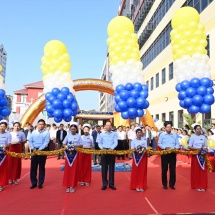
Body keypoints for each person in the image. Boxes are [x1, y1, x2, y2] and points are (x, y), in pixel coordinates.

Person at [28, 119, 50, 189]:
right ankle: (33, 183)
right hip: (34, 150)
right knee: (33, 167)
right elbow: (30, 140)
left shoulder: (46, 133)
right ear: (37, 125)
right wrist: (32, 148)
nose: (41, 126)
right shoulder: (34, 132)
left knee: (41, 167)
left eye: (42, 124)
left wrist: (40, 149)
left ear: (44, 125)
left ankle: (40, 183)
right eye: (39, 124)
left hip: (42, 150)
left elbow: (46, 142)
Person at [158, 121, 180, 190]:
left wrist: (175, 148)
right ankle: (164, 184)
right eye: (167, 127)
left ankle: (172, 184)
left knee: (173, 169)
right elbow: (159, 143)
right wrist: (165, 147)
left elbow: (177, 144)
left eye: (170, 127)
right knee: (164, 169)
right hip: (165, 153)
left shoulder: (174, 135)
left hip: (172, 153)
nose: (169, 128)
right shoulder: (162, 135)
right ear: (165, 128)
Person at [97, 121, 118, 190]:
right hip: (104, 151)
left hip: (111, 151)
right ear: (105, 126)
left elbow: (116, 143)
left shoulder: (114, 134)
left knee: (112, 168)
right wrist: (102, 148)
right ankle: (104, 184)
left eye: (109, 125)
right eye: (107, 125)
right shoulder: (101, 134)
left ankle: (111, 184)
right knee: (104, 168)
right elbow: (99, 143)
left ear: (111, 126)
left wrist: (111, 148)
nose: (108, 127)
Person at [62, 122, 82, 193]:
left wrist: (74, 146)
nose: (73, 130)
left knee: (74, 170)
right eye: (72, 129)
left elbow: (81, 145)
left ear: (76, 129)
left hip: (75, 154)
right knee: (68, 170)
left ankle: (73, 185)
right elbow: (64, 143)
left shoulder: (79, 136)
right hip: (68, 155)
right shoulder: (68, 136)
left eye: (74, 129)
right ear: (70, 129)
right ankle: (67, 185)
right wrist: (67, 147)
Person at [188, 125, 208, 192]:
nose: (198, 130)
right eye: (197, 129)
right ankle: (196, 185)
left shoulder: (203, 137)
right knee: (196, 171)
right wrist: (197, 149)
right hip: (196, 156)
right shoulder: (192, 137)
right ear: (195, 130)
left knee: (202, 171)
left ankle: (203, 185)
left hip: (202, 155)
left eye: (200, 129)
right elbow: (190, 146)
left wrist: (204, 149)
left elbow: (206, 146)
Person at [0, 121, 11, 191]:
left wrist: (5, 146)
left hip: (3, 153)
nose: (2, 128)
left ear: (6, 127)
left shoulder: (8, 134)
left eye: (4, 126)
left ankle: (1, 184)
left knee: (2, 169)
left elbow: (9, 144)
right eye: (1, 126)